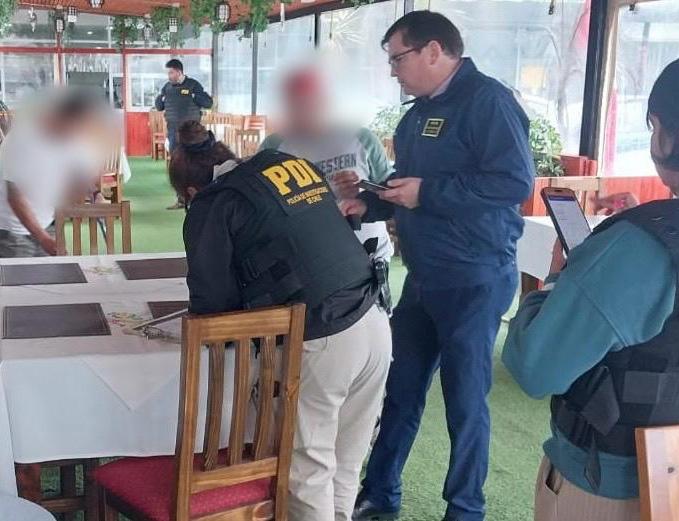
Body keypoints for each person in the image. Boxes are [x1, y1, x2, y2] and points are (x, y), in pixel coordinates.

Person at [503, 42, 679, 521]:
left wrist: (562, 276)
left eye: (655, 125)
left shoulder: (639, 247)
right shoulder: (646, 242)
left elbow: (535, 367)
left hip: (622, 487)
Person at [345, 11, 535, 521]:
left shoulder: (488, 102)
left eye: (397, 59)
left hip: (475, 276)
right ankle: (379, 493)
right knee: (400, 390)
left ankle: (465, 509)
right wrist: (371, 201)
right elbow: (407, 186)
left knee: (464, 401)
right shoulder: (417, 115)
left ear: (433, 50)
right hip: (424, 275)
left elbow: (514, 183)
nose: (393, 71)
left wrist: (427, 193)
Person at [169, 120, 392, 521]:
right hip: (374, 318)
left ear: (189, 192)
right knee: (344, 466)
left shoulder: (213, 203)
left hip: (322, 339)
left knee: (307, 474)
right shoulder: (282, 163)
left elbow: (214, 308)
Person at [259, 67, 395, 264]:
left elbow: (390, 193)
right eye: (296, 106)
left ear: (325, 103)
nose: (304, 113)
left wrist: (362, 187)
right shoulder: (274, 147)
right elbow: (264, 204)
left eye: (310, 104)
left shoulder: (361, 138)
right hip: (310, 259)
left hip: (369, 254)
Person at [0, 88, 111, 258]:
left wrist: (96, 194)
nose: (82, 132)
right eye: (81, 125)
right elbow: (15, 197)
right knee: (20, 275)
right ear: (63, 117)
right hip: (11, 231)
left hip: (47, 221)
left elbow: (82, 174)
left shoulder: (76, 140)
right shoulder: (20, 139)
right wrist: (43, 238)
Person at [155, 59, 212, 209]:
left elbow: (208, 103)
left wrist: (194, 96)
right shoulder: (167, 87)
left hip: (192, 134)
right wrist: (160, 97)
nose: (169, 76)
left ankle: (197, 198)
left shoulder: (193, 85)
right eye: (168, 73)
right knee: (177, 166)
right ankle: (181, 199)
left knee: (194, 165)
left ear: (179, 72)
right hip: (174, 132)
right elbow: (159, 106)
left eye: (171, 72)